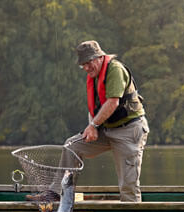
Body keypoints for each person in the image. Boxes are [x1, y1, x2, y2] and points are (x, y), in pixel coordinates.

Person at [64, 40, 149, 202]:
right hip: (107, 129)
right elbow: (95, 108)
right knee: (71, 147)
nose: (86, 68)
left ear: (100, 57)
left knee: (128, 185)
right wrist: (93, 127)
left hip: (129, 130)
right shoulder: (94, 75)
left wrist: (93, 125)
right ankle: (61, 195)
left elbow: (112, 102)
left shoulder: (115, 70)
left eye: (89, 62)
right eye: (83, 65)